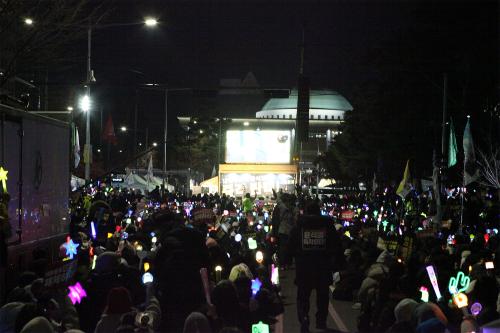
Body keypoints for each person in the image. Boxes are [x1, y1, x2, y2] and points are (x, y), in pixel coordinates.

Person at [288, 200, 343, 332]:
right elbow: (336, 245)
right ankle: (321, 321)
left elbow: (290, 245)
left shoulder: (299, 226)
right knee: (323, 297)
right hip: (323, 267)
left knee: (303, 297)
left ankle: (304, 318)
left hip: (304, 267)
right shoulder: (328, 225)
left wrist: (289, 258)